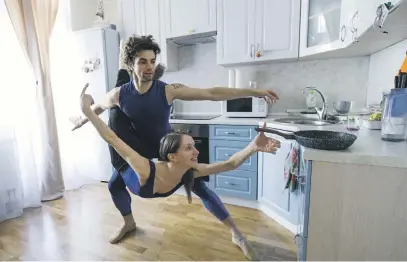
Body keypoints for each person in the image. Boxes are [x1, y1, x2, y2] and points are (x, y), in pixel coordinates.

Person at [70, 35, 280, 258]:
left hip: (166, 148)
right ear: (131, 64)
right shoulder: (118, 95)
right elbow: (98, 108)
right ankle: (129, 223)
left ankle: (236, 233)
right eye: (142, 61)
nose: (149, 67)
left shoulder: (168, 90)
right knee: (114, 185)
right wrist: (82, 120)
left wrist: (255, 92)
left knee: (199, 185)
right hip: (139, 149)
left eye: (152, 61)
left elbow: (211, 93)